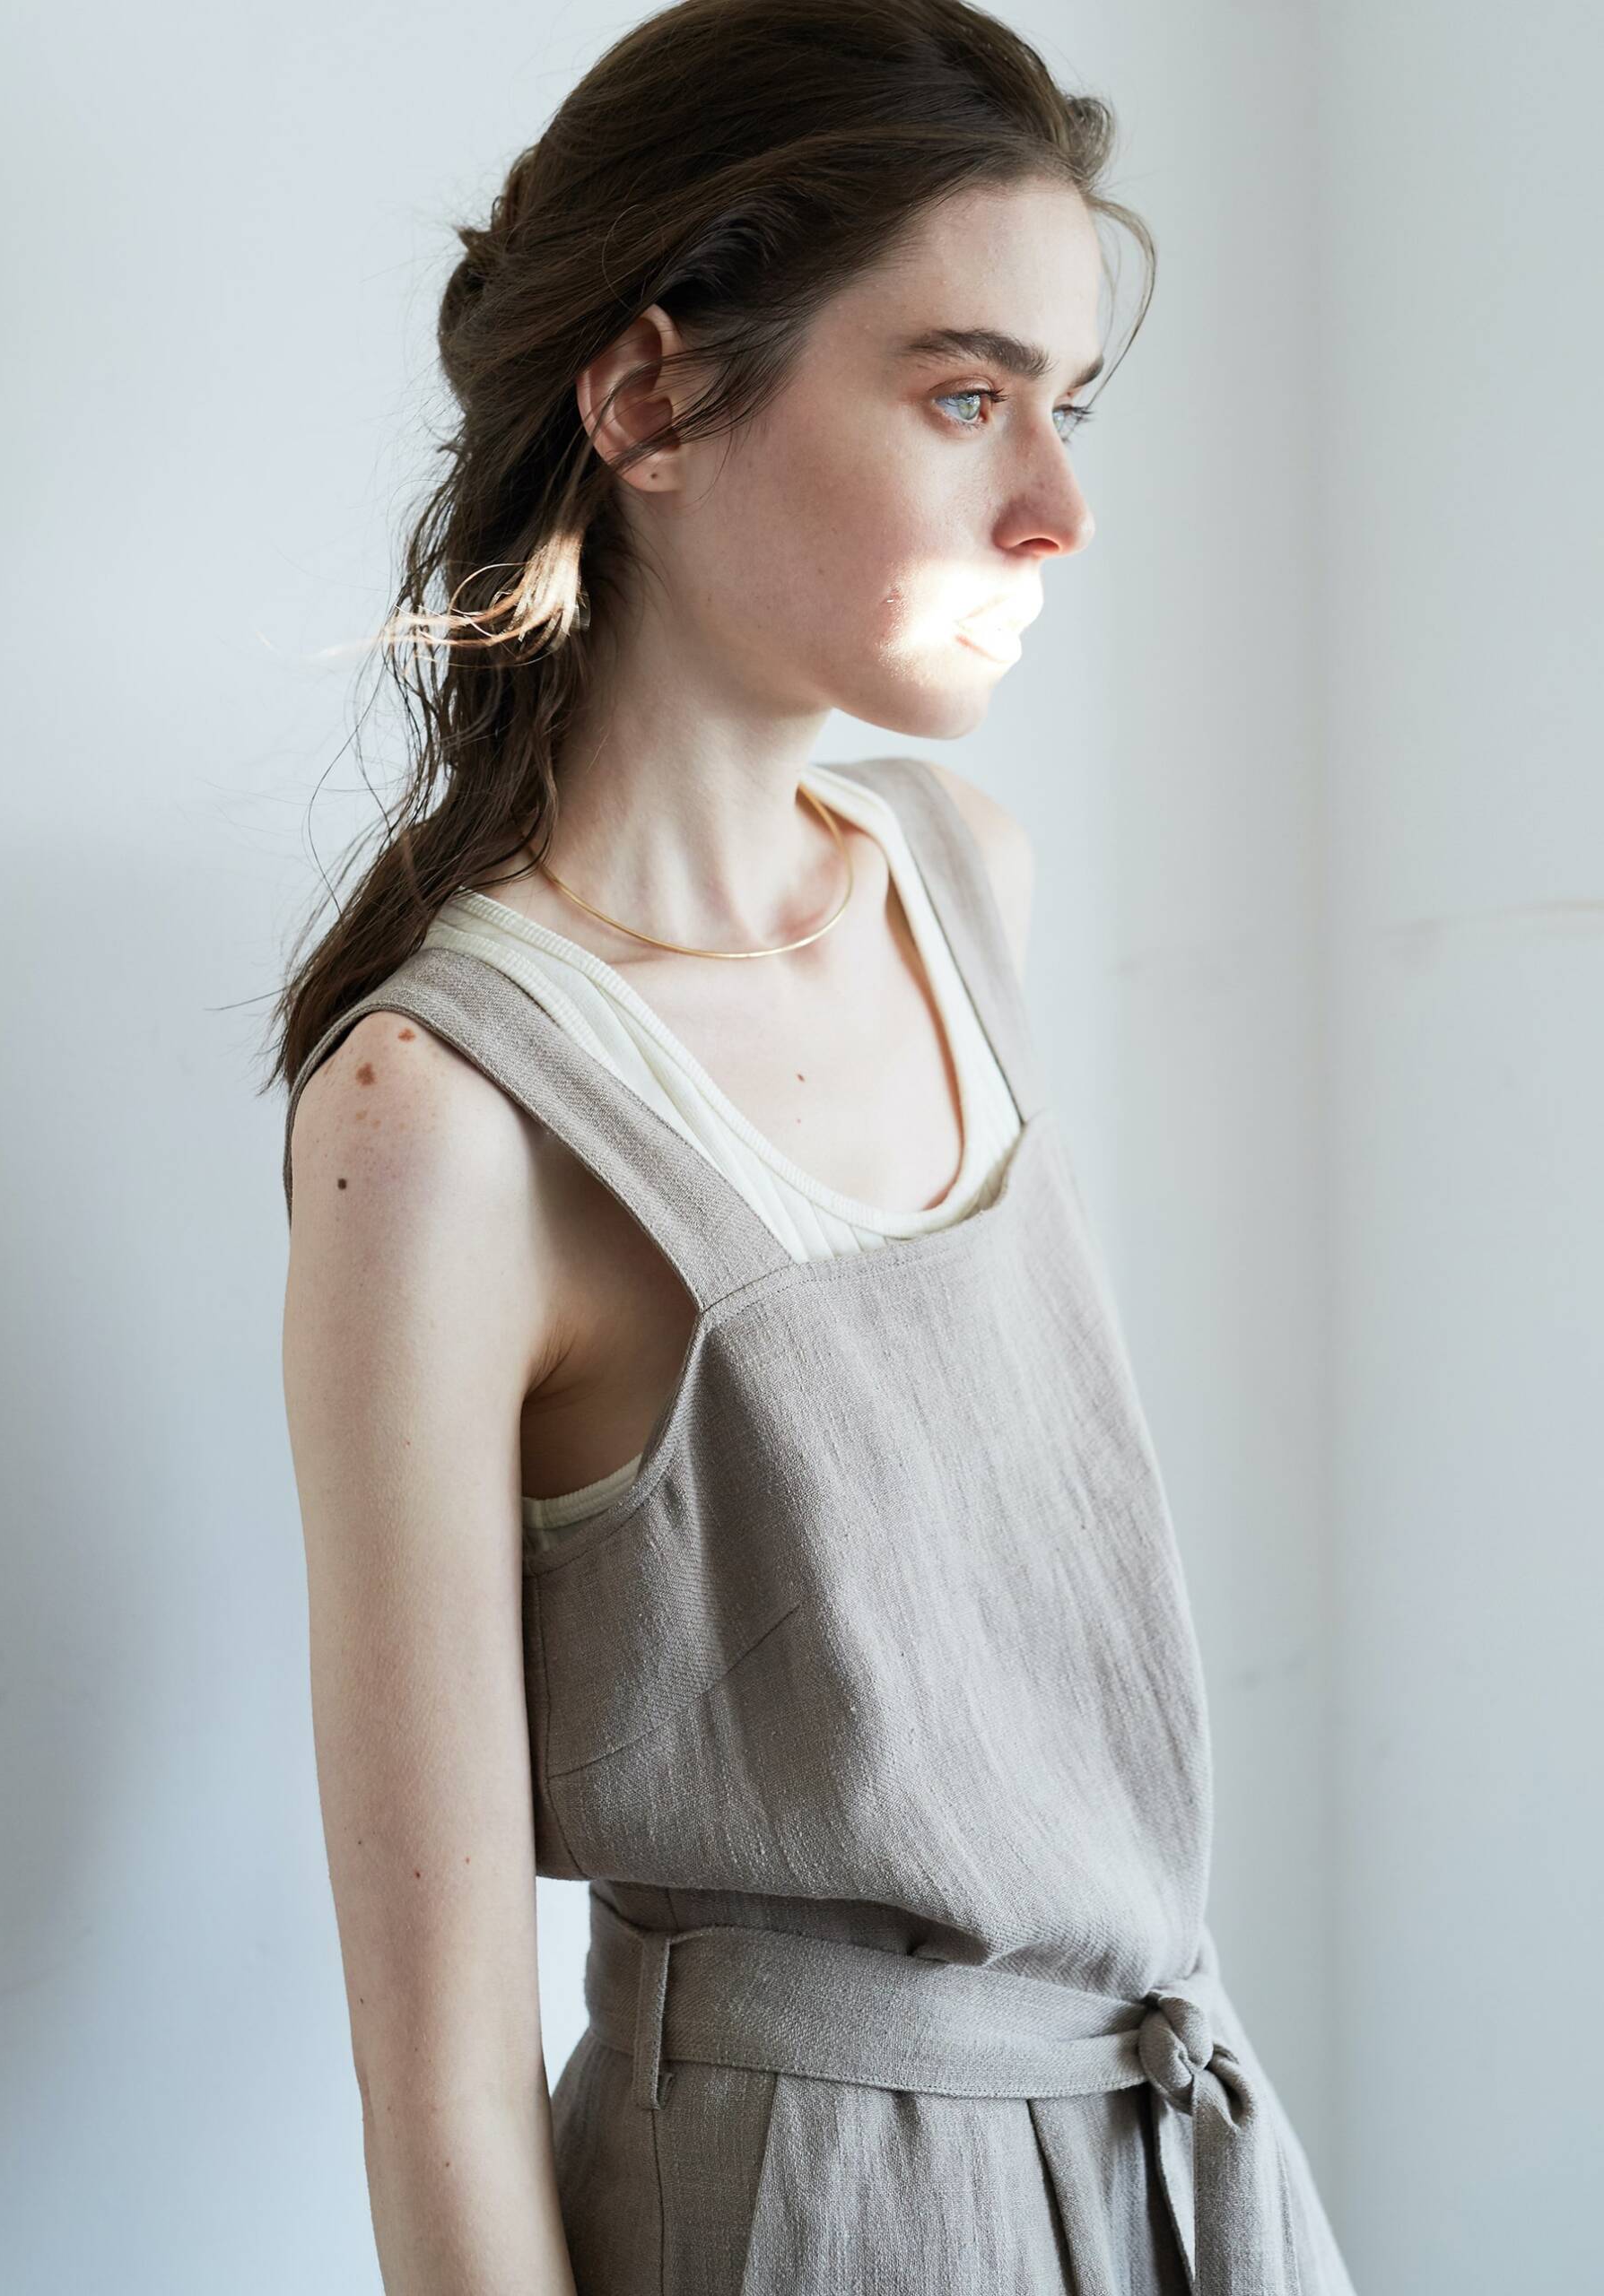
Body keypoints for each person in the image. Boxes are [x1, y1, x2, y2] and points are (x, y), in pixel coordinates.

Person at [269, 2, 1357, 2289]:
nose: (1057, 502)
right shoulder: (446, 1117)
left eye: (1067, 405)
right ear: (649, 400)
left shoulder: (960, 878)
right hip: (801, 2226)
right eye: (965, 395)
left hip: (1160, 2169)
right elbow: (437, 2073)